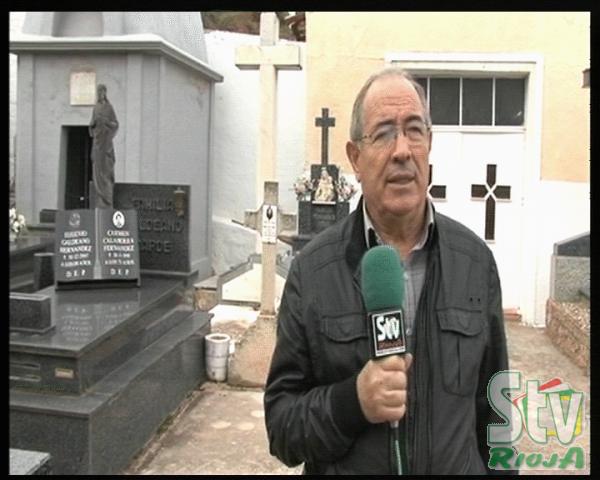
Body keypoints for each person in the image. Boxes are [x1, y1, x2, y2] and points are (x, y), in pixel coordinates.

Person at [264, 67, 514, 475]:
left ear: (429, 144)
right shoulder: (312, 273)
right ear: (355, 158)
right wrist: (352, 402)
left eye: (414, 130)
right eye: (383, 133)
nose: (402, 150)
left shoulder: (474, 262)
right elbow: (282, 427)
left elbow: (496, 413)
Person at [89, 84, 119, 208]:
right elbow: (91, 126)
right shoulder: (95, 108)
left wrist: (107, 122)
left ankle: (107, 200)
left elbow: (115, 124)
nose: (100, 94)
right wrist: (93, 123)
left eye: (102, 91)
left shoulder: (109, 108)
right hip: (98, 142)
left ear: (105, 93)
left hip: (106, 143)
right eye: (98, 92)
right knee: (97, 169)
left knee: (106, 170)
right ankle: (100, 200)